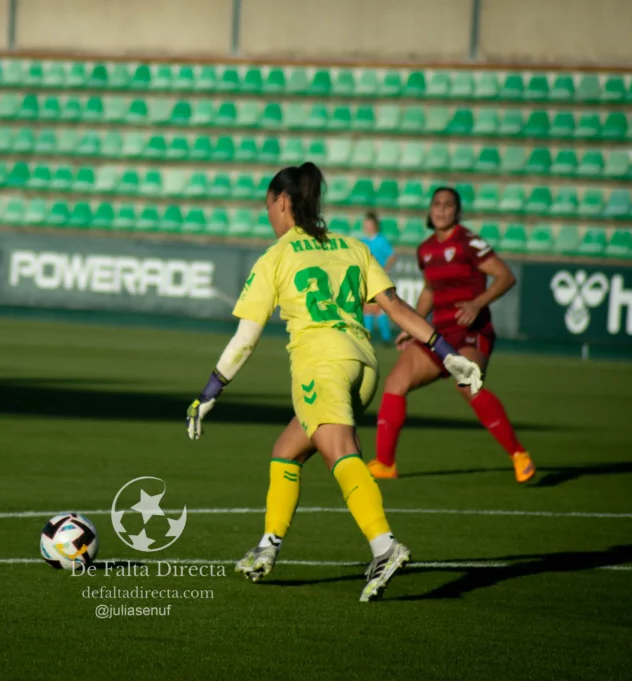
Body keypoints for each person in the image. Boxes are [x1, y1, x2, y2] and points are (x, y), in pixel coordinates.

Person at [184, 163, 483, 602]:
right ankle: (268, 546)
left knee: (341, 452)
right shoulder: (353, 246)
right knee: (287, 450)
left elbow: (245, 339)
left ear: (282, 203)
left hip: (320, 365)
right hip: (363, 367)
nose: (268, 213)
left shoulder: (276, 257)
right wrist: (447, 353)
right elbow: (394, 305)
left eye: (268, 205)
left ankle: (384, 546)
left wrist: (209, 391)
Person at [367, 187, 535, 484]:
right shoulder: (426, 249)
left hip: (471, 332)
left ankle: (519, 455)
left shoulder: (469, 242)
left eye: (448, 205)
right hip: (438, 334)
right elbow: (429, 291)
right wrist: (411, 328)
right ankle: (385, 463)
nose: (442, 209)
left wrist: (477, 303)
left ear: (457, 211)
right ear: (430, 210)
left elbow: (505, 275)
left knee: (466, 382)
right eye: (437, 204)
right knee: (395, 382)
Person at [359, 212, 396, 343]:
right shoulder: (362, 242)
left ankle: (385, 337)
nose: (367, 227)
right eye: (365, 225)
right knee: (368, 308)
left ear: (375, 226)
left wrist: (385, 269)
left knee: (378, 308)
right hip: (366, 279)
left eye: (369, 224)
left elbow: (392, 256)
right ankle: (369, 336)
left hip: (378, 279)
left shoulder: (381, 241)